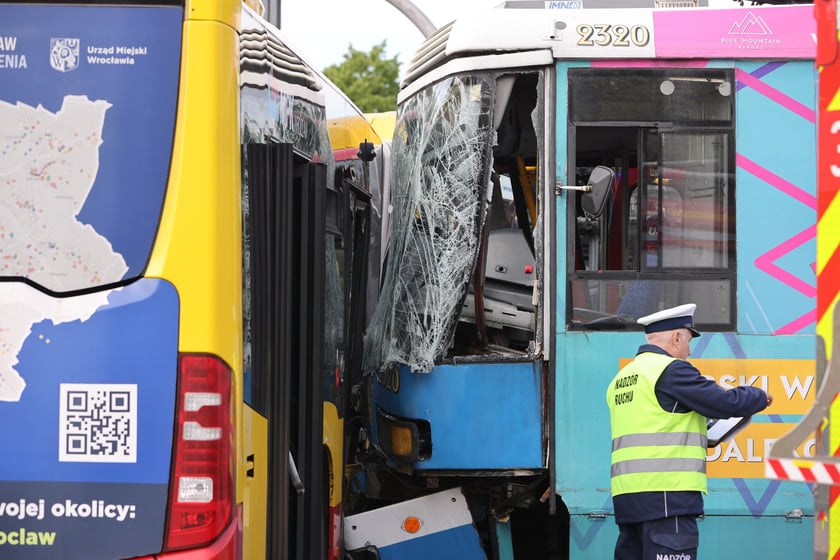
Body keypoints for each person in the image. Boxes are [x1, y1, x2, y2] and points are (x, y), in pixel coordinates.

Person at [605, 303, 772, 560]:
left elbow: (658, 426)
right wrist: (760, 396)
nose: (689, 350)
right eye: (688, 341)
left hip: (628, 501)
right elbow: (725, 403)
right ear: (676, 337)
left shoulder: (623, 378)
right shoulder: (671, 370)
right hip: (667, 498)